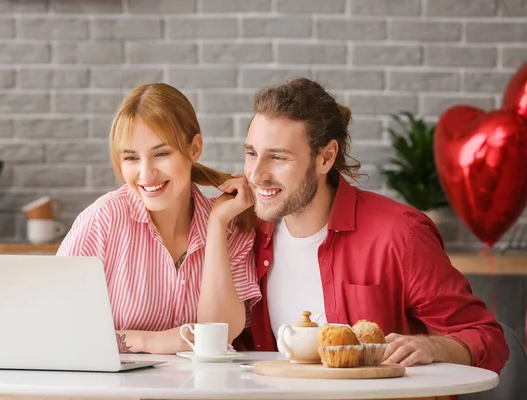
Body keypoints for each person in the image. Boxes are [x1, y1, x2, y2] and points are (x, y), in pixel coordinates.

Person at [243, 77, 509, 373]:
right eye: (251, 153)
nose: (255, 175)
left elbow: (487, 337)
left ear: (326, 157)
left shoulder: (400, 234)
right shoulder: (245, 235)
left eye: (278, 157)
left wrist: (432, 346)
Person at [57, 83, 260, 355]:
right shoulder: (103, 219)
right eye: (131, 158)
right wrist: (153, 342)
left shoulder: (231, 225)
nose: (145, 174)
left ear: (194, 149)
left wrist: (215, 226)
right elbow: (57, 328)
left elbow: (217, 335)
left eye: (161, 154)